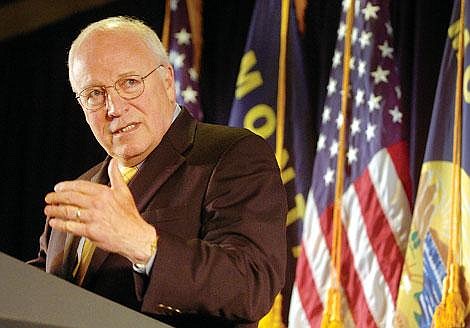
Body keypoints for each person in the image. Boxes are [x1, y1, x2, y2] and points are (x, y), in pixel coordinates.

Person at [28, 16, 287, 328]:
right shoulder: (83, 188)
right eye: (95, 93)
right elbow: (43, 290)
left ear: (167, 81)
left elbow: (250, 285)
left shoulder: (230, 155)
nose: (114, 107)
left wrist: (142, 243)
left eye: (129, 83)